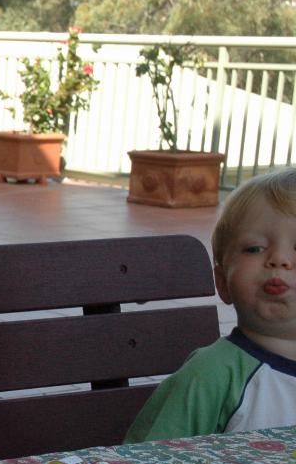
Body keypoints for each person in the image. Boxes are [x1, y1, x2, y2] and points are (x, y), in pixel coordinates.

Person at [125, 168, 296, 443]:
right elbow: (148, 462)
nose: (279, 259)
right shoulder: (208, 377)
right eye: (254, 248)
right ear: (223, 282)